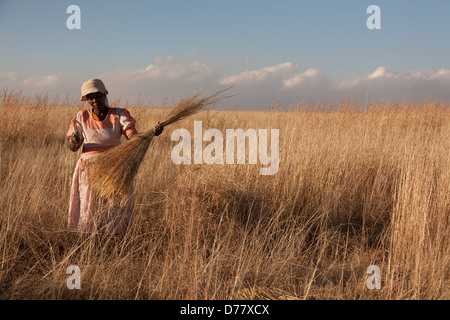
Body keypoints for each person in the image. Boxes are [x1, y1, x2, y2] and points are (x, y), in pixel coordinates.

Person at [67, 78, 163, 234]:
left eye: (97, 95)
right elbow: (72, 146)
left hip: (115, 168)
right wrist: (74, 140)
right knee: (88, 206)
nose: (94, 100)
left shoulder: (119, 114)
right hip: (89, 170)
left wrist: (151, 133)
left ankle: (114, 241)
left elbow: (132, 136)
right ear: (87, 100)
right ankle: (88, 242)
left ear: (105, 94)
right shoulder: (81, 117)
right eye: (90, 97)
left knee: (115, 207)